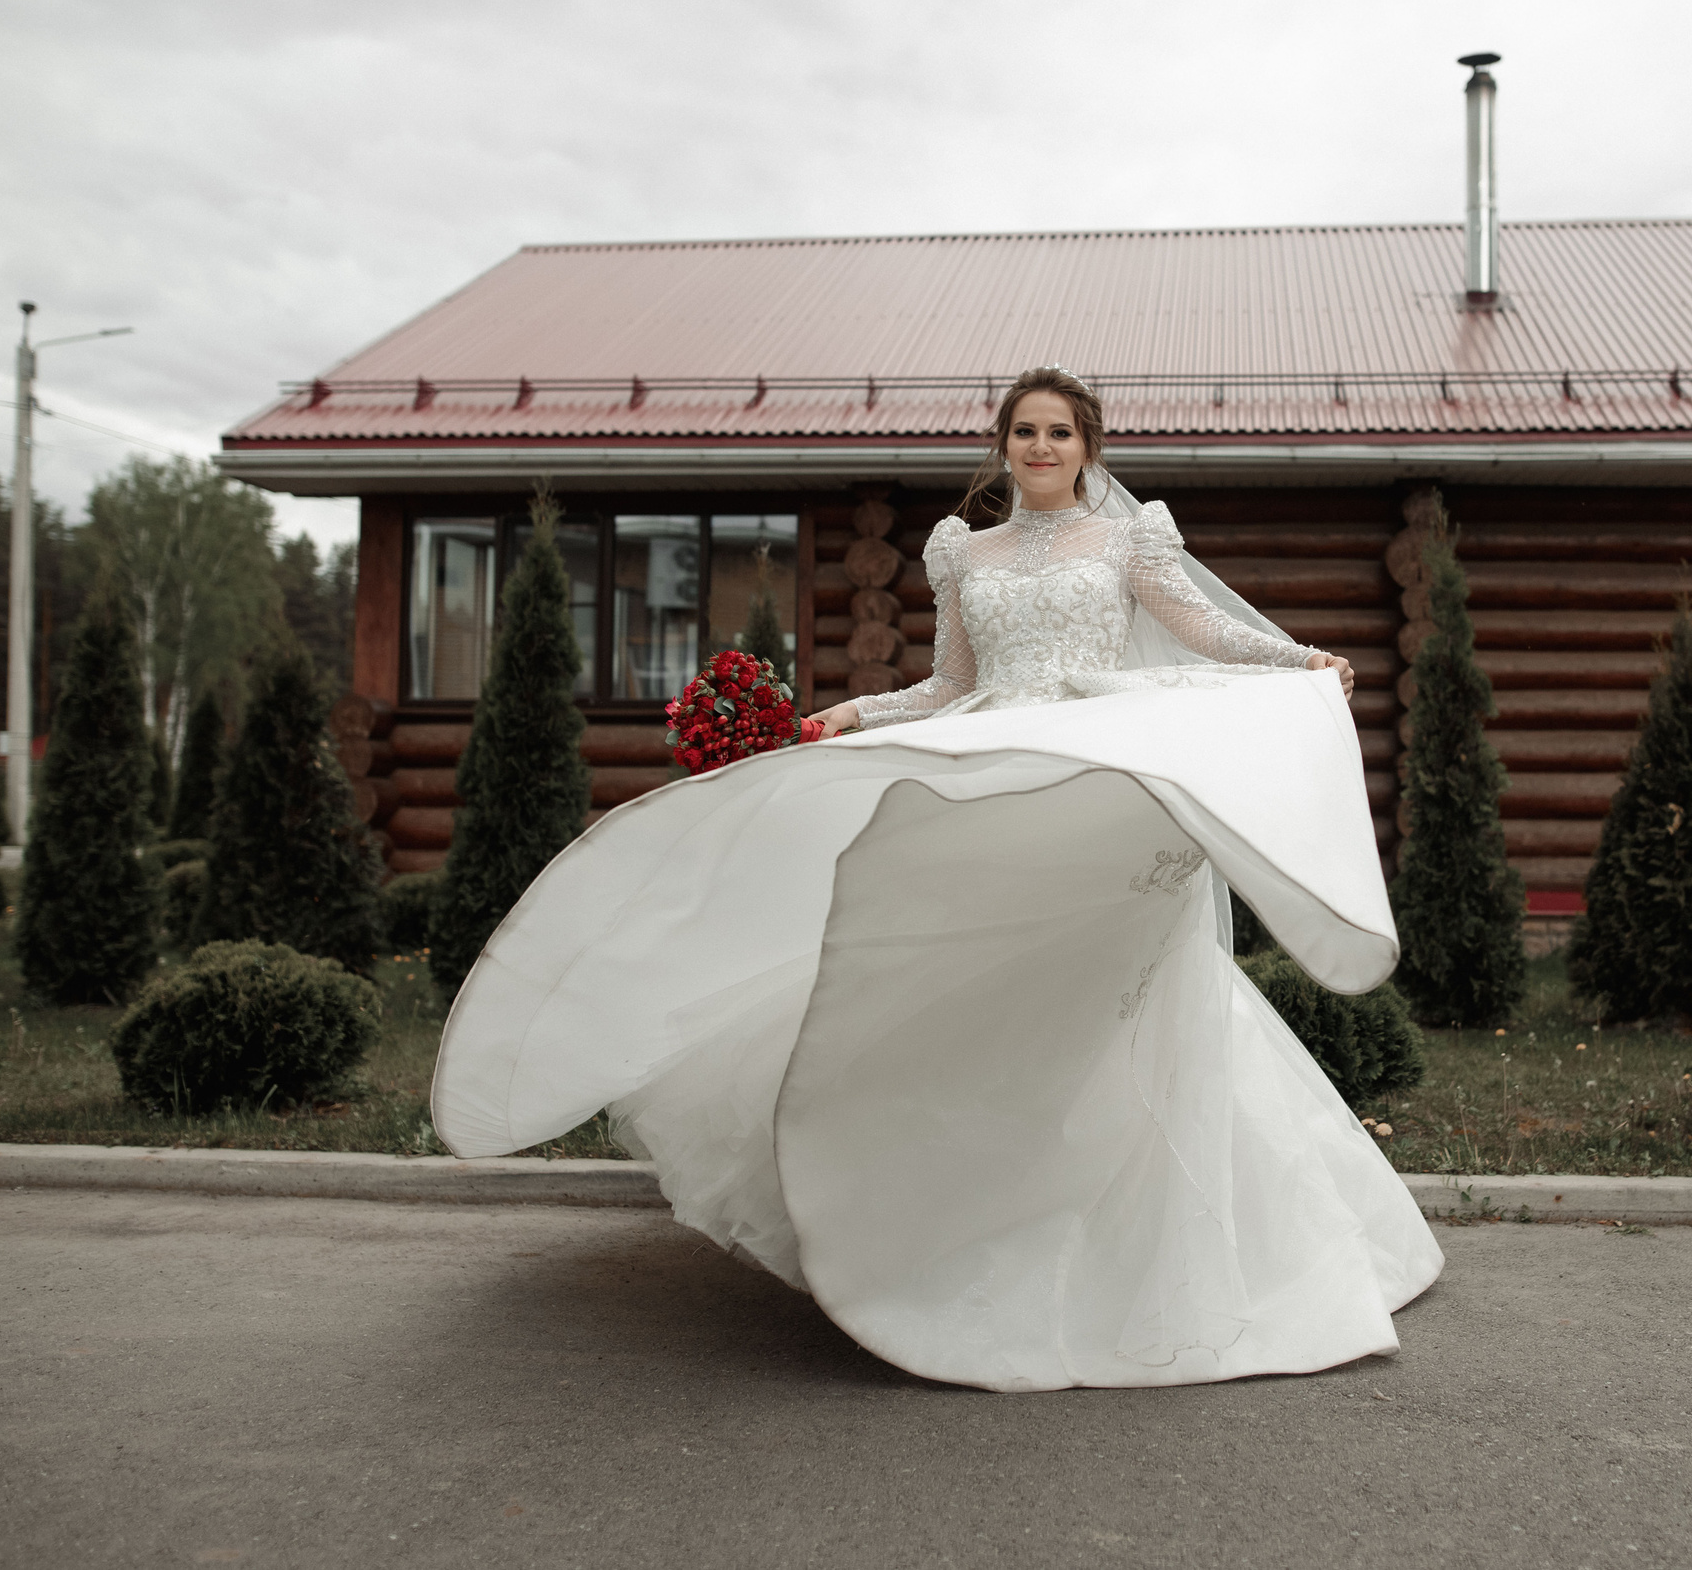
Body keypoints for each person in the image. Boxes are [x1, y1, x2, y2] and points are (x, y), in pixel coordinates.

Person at [431, 367, 1444, 1392]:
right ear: (1001, 445)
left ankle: (1127, 1238)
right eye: (1024, 432)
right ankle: (948, 1222)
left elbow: (1204, 634)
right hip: (987, 784)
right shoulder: (965, 553)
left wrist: (1293, 659)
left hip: (1090, 792)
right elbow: (950, 684)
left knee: (1104, 1012)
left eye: (1058, 432)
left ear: (1088, 446)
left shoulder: (1132, 541)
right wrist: (849, 716)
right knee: (981, 1001)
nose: (1040, 447)